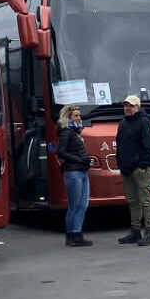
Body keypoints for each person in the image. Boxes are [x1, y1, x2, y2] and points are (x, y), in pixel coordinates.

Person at [116, 94, 150, 246]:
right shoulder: (122, 123)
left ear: (138, 107)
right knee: (133, 201)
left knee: (145, 201)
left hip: (140, 169)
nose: (128, 108)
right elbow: (119, 144)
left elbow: (149, 146)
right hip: (126, 168)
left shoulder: (144, 122)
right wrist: (120, 162)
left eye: (131, 106)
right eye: (126, 105)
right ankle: (135, 231)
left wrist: (142, 165)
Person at [57, 104, 92, 248]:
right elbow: (61, 152)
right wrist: (79, 159)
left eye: (79, 115)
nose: (79, 118)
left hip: (81, 171)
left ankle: (77, 233)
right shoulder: (67, 132)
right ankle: (71, 235)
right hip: (73, 172)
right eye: (76, 115)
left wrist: (84, 161)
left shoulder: (75, 131)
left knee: (83, 205)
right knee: (74, 205)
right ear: (69, 117)